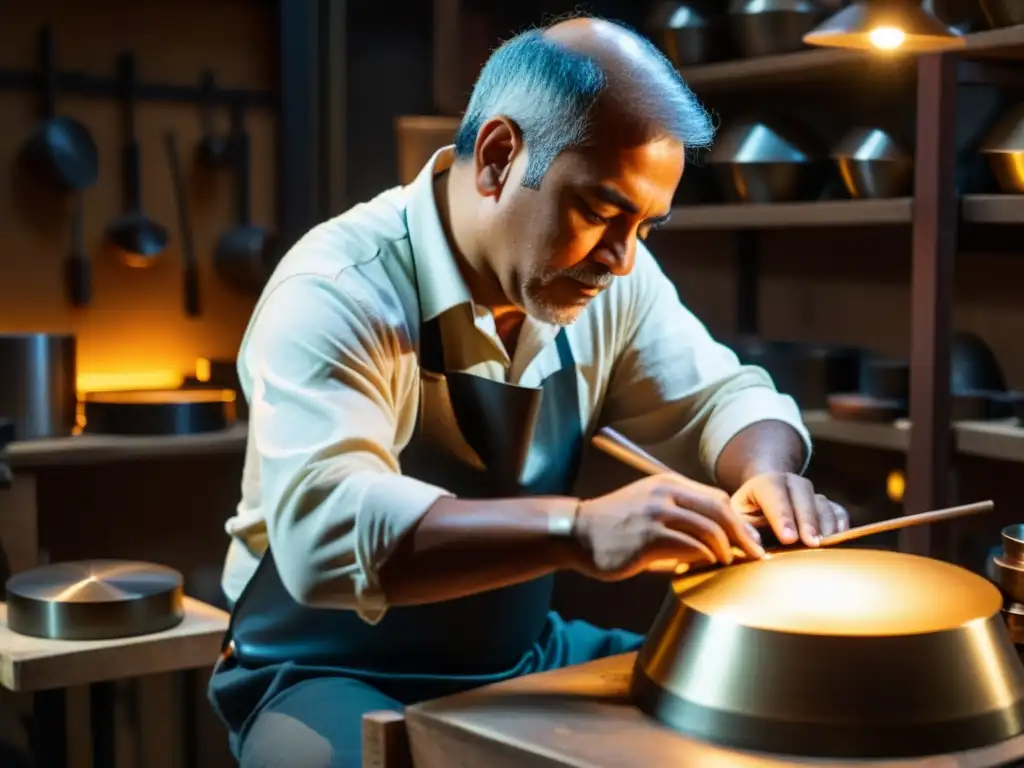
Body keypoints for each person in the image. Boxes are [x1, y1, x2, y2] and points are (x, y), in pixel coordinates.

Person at [208, 14, 849, 768]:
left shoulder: (612, 279)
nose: (620, 259)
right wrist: (577, 531)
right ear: (499, 157)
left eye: (646, 226)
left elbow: (720, 398)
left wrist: (767, 474)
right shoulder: (339, 288)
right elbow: (324, 534)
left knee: (745, 696)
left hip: (518, 655)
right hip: (321, 671)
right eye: (601, 211)